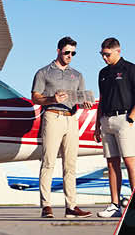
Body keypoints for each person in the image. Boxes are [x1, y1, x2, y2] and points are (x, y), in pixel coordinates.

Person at [30, 37, 95, 218]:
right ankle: (46, 206)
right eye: (67, 52)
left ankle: (71, 207)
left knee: (70, 165)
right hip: (52, 116)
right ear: (58, 51)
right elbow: (35, 97)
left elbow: (81, 98)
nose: (70, 56)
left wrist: (85, 104)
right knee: (49, 162)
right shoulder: (43, 73)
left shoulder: (77, 75)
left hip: (72, 119)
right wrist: (52, 99)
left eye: (73, 53)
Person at [95, 38, 135, 218]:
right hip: (106, 121)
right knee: (111, 163)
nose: (104, 57)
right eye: (102, 54)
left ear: (118, 51)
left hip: (124, 119)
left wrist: (131, 118)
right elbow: (101, 100)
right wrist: (97, 125)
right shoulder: (102, 73)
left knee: (130, 161)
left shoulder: (130, 69)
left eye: (107, 54)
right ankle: (115, 205)